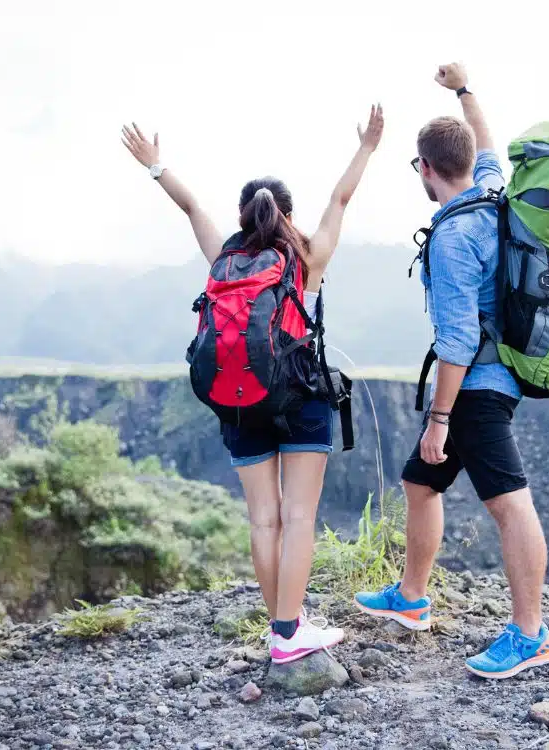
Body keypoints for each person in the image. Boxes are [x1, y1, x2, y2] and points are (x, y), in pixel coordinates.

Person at [122, 104, 384, 664]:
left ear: (243, 216)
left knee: (264, 519)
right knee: (298, 518)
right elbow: (340, 201)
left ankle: (282, 627)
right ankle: (290, 634)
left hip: (238, 401)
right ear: (286, 214)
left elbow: (191, 205)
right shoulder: (305, 255)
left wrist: (154, 165)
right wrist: (366, 148)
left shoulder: (226, 257)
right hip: (301, 397)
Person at [354, 65, 549, 679]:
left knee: (510, 506)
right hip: (496, 375)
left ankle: (530, 635)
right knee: (422, 485)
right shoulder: (494, 187)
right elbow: (485, 136)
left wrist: (439, 419)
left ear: (424, 168)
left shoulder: (449, 239)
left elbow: (459, 340)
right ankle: (412, 599)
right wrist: (465, 90)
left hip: (476, 388)